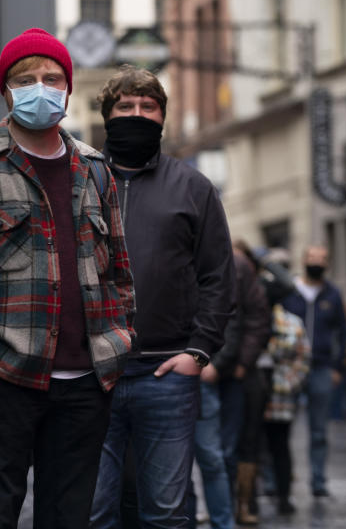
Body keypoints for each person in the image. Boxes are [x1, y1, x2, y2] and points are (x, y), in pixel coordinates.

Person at [0, 28, 135, 527]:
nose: (41, 88)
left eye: (52, 78)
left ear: (68, 89)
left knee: (68, 519)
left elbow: (119, 271)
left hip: (86, 384)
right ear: (6, 90)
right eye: (27, 79)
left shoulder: (95, 171)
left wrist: (120, 338)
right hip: (6, 382)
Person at [89, 66, 237, 528]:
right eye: (125, 107)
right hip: (92, 374)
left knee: (167, 515)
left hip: (167, 374)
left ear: (162, 116)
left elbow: (219, 276)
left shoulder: (193, 187)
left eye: (147, 107)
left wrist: (199, 350)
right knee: (93, 511)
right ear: (107, 116)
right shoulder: (82, 181)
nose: (137, 114)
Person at [198, 241, 271, 527]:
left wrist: (241, 364)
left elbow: (254, 320)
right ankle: (221, 509)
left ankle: (236, 506)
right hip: (200, 369)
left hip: (233, 372)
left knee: (233, 447)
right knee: (208, 451)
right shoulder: (187, 258)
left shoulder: (239, 265)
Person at [279, 245, 346, 497]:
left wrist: (338, 365)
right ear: (303, 260)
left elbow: (343, 331)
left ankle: (318, 481)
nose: (316, 262)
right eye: (312, 258)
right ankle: (280, 479)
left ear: (327, 263)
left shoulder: (333, 295)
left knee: (319, 429)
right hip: (289, 366)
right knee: (282, 424)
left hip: (321, 367)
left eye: (321, 258)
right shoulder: (290, 291)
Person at [263, 302, 311, 516]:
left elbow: (304, 356)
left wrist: (290, 382)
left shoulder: (292, 323)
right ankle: (251, 497)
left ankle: (283, 495)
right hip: (252, 390)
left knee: (280, 444)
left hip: (281, 394)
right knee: (250, 445)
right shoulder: (249, 317)